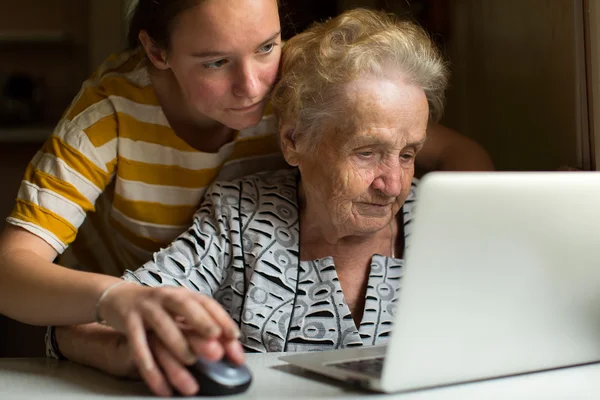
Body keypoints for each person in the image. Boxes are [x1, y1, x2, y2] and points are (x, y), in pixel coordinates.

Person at [0, 0, 490, 394]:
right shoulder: (110, 120)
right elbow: (13, 271)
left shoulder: (303, 78)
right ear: (157, 51)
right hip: (119, 301)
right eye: (216, 61)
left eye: (267, 46)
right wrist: (114, 301)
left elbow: (417, 135)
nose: (255, 89)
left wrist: (484, 224)